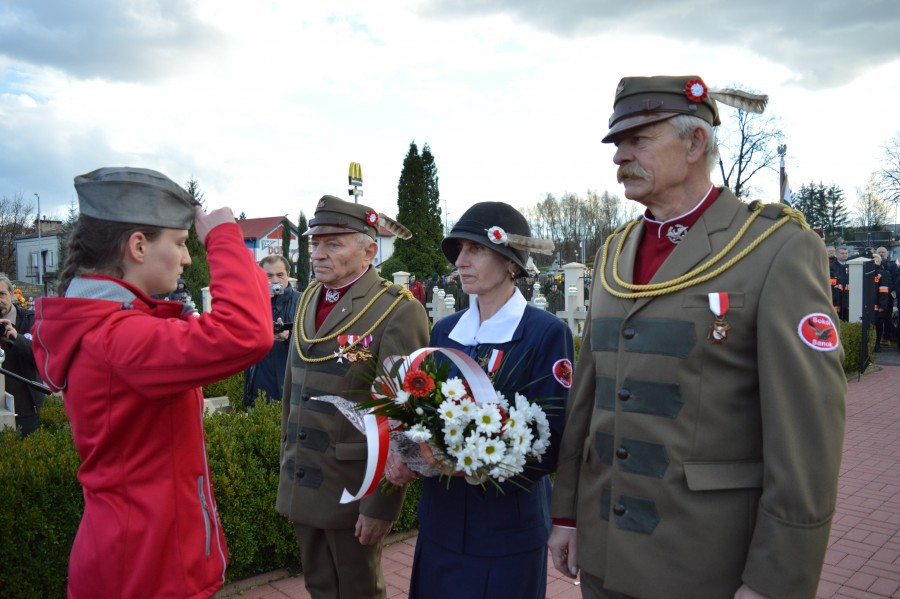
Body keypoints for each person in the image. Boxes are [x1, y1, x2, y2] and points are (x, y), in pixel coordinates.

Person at [547, 76, 846, 599]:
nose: (620, 156)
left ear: (695, 143)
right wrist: (568, 514)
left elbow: (805, 437)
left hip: (704, 564)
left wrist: (778, 580)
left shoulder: (774, 249)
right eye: (617, 143)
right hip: (605, 555)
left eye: (638, 139)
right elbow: (587, 402)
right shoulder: (614, 253)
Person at [31, 167, 273, 599]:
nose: (186, 258)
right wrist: (222, 239)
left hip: (142, 557)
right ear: (138, 246)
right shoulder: (119, 338)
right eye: (180, 244)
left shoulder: (114, 329)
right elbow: (248, 332)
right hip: (148, 571)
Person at [388, 202, 574, 599]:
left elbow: (554, 439)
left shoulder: (545, 333)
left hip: (505, 531)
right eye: (458, 251)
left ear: (511, 263)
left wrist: (466, 463)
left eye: (475, 249)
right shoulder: (446, 329)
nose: (461, 261)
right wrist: (405, 450)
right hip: (441, 525)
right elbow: (423, 410)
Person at [275, 195, 429, 599]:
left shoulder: (397, 310)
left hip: (353, 488)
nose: (318, 254)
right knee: (320, 587)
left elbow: (405, 415)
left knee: (358, 591)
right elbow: (294, 387)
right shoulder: (310, 296)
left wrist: (382, 505)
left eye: (333, 243)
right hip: (304, 475)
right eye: (315, 243)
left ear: (369, 251)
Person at [243, 255, 302, 407]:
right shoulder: (251, 302)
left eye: (280, 275)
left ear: (288, 275)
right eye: (269, 276)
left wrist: (289, 337)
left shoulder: (302, 301)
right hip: (259, 384)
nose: (275, 281)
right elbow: (240, 338)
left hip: (292, 384)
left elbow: (313, 339)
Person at [0, 275, 47, 436]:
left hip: (27, 407)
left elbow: (44, 358)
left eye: (1, 294)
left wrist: (17, 339)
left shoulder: (31, 319)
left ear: (12, 294)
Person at [831, 246, 850, 321]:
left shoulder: (851, 265)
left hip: (849, 298)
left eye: (846, 253)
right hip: (836, 298)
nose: (845, 255)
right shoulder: (831, 267)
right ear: (836, 254)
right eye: (842, 253)